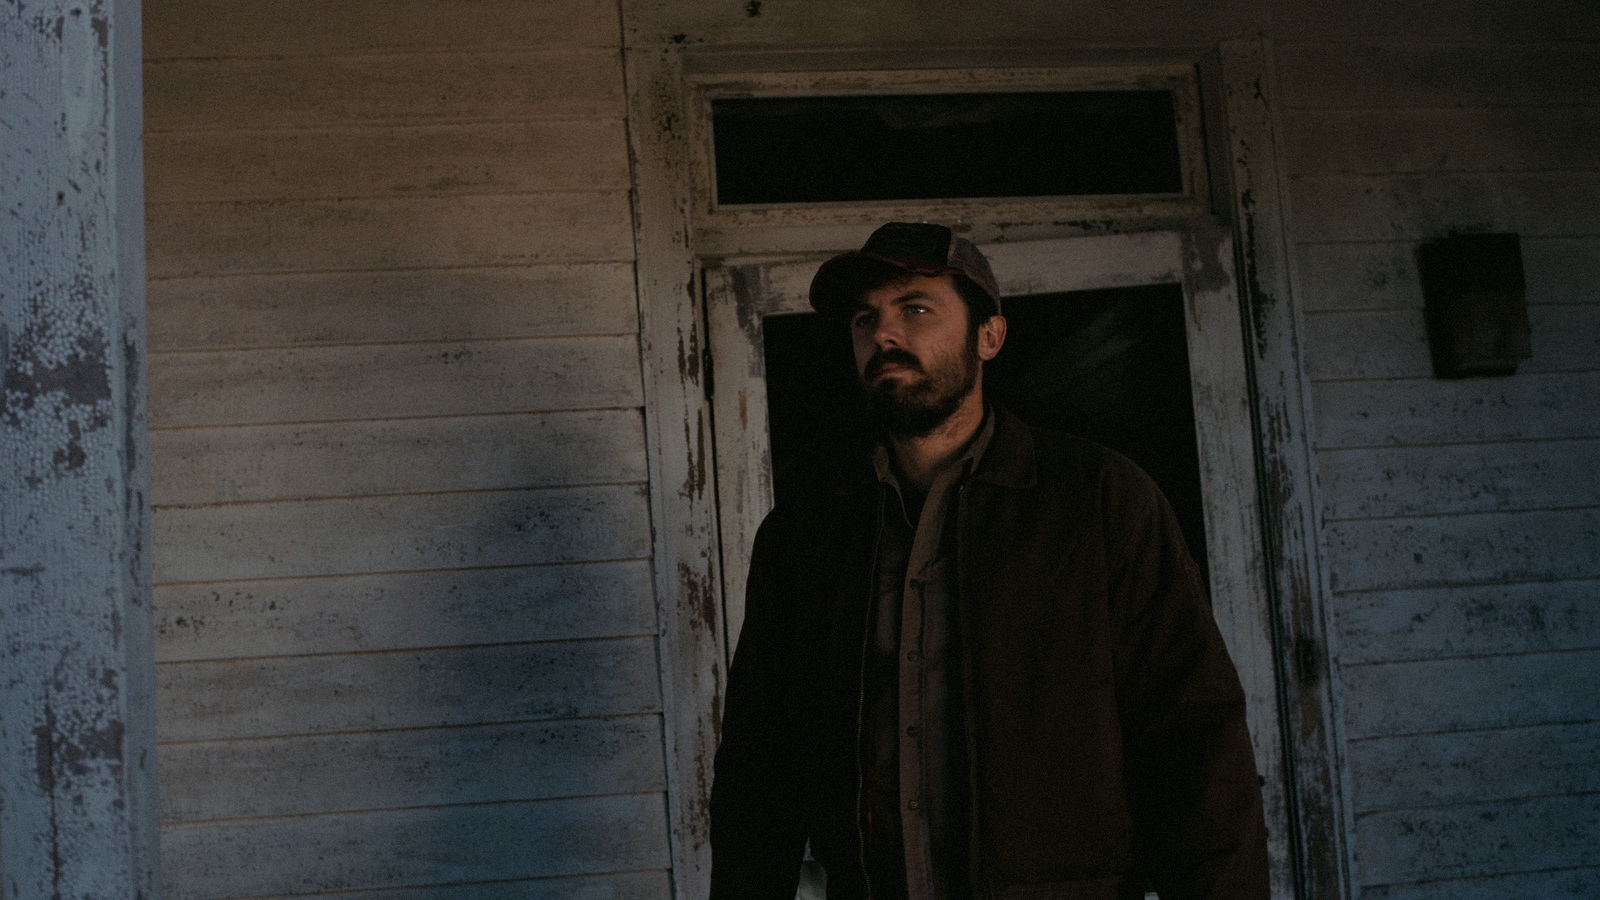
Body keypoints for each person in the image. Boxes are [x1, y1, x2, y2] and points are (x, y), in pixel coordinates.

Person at [709, 222, 1270, 900]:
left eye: (915, 308)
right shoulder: (805, 535)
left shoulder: (1099, 501)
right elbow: (759, 769)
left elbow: (1195, 741)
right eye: (865, 318)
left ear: (989, 337)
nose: (884, 335)